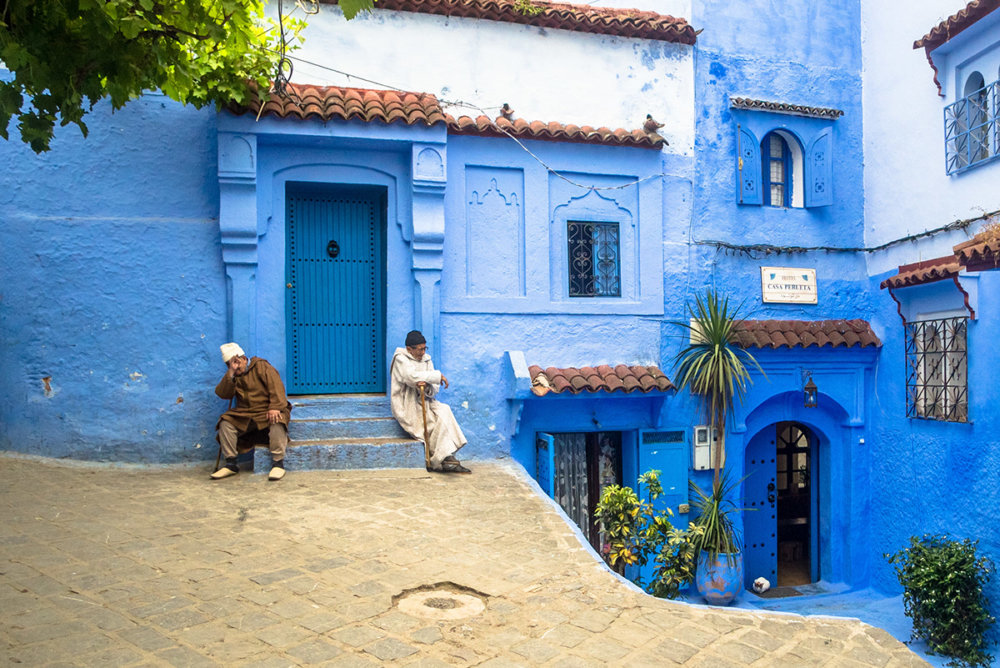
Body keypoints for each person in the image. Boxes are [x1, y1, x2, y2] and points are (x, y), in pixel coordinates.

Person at [390, 330, 470, 473]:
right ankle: (442, 458)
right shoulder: (400, 359)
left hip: (426, 400)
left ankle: (446, 456)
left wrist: (427, 386)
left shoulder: (426, 359)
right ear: (409, 349)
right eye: (419, 349)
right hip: (407, 404)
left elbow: (435, 388)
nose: (422, 352)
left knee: (444, 410)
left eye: (424, 348)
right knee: (433, 421)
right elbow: (410, 377)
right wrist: (436, 376)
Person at [212, 343, 292, 481]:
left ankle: (278, 463)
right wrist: (231, 373)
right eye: (231, 365)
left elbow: (277, 387)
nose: (236, 369)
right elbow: (223, 394)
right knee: (225, 422)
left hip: (266, 410)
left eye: (237, 365)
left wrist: (274, 407)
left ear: (243, 359)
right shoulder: (233, 374)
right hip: (245, 413)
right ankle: (231, 464)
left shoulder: (262, 366)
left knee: (277, 419)